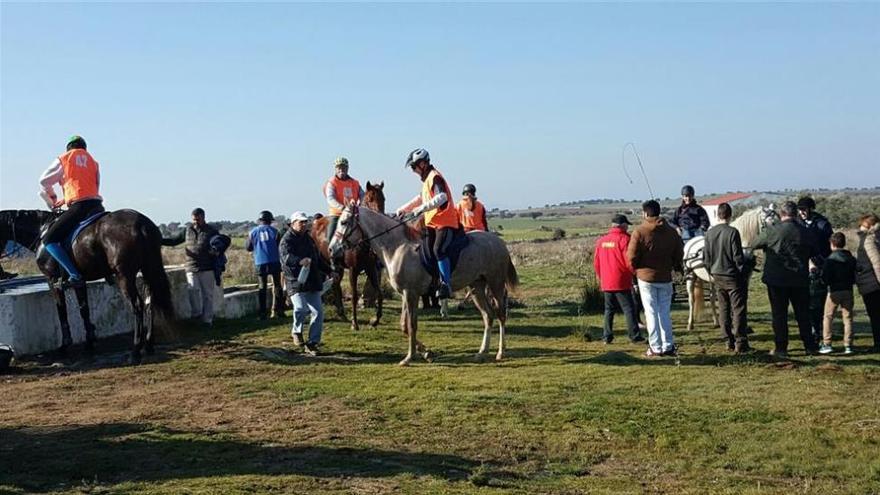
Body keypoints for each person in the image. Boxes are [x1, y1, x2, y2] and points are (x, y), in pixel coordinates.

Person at [752, 201, 819, 357]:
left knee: (779, 315)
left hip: (776, 280)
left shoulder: (772, 231)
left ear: (781, 214)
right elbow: (815, 251)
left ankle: (781, 348)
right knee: (803, 314)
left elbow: (754, 243)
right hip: (799, 279)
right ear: (795, 214)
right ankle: (809, 346)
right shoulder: (805, 232)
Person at [38, 135, 105, 287]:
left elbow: (43, 181)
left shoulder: (64, 158)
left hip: (79, 208)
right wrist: (66, 198)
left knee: (49, 240)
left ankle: (74, 275)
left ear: (69, 147)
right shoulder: (93, 162)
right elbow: (94, 186)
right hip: (97, 206)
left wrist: (54, 197)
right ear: (84, 148)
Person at [396, 148, 460, 299]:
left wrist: (421, 209)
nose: (413, 170)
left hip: (445, 221)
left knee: (438, 250)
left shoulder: (435, 177)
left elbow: (442, 197)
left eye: (414, 166)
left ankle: (446, 285)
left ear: (423, 164)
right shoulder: (426, 181)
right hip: (433, 223)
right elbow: (420, 198)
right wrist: (403, 209)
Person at [627, 200, 683, 357]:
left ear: (645, 213)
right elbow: (679, 254)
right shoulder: (672, 232)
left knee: (650, 312)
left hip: (645, 278)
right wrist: (672, 265)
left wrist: (637, 268)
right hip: (665, 277)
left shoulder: (639, 231)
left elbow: (630, 257)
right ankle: (668, 345)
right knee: (664, 312)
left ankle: (655, 347)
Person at [280, 211, 332, 356]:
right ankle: (296, 331)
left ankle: (313, 343)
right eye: (300, 222)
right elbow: (286, 258)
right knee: (301, 308)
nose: (304, 225)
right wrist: (299, 261)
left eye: (305, 222)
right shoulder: (287, 240)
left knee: (318, 312)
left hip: (312, 281)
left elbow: (317, 259)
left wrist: (329, 270)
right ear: (292, 223)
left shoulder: (308, 239)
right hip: (295, 281)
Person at [703, 203, 751, 353]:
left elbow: (706, 258)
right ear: (730, 215)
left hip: (717, 275)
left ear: (718, 215)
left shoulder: (709, 233)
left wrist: (711, 271)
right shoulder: (732, 232)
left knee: (723, 308)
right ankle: (741, 341)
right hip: (732, 275)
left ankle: (727, 339)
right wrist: (743, 272)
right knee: (738, 309)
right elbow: (738, 257)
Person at [164, 208, 220, 326]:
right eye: (194, 220)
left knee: (207, 295)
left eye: (198, 219)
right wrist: (158, 240)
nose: (196, 222)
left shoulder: (212, 231)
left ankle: (207, 320)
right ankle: (197, 314)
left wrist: (215, 252)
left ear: (203, 218)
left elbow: (221, 244)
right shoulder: (187, 231)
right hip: (191, 266)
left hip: (207, 267)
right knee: (192, 290)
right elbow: (174, 241)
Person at [594, 214, 643, 344]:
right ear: (622, 225)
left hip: (607, 281)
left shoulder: (601, 241)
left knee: (609, 309)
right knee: (629, 308)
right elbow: (629, 261)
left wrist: (601, 277)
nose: (628, 227)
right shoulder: (625, 240)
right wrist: (636, 275)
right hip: (621, 280)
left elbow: (597, 263)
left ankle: (607, 336)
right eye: (626, 224)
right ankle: (634, 335)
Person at [795, 196, 834, 342]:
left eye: (804, 209)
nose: (802, 212)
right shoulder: (797, 223)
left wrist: (821, 263)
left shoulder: (823, 224)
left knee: (817, 302)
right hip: (801, 267)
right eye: (800, 210)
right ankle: (807, 329)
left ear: (811, 209)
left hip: (819, 266)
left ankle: (817, 329)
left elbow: (829, 247)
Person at [819, 232, 856, 355]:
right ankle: (848, 345)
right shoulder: (850, 258)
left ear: (832, 244)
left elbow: (825, 277)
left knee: (828, 317)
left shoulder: (830, 260)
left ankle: (827, 343)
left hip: (834, 291)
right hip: (848, 289)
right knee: (848, 318)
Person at [246, 210, 285, 320]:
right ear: (270, 221)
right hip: (274, 261)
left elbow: (248, 247)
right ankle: (279, 310)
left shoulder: (253, 232)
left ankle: (263, 313)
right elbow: (280, 246)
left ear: (260, 221)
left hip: (260, 261)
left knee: (262, 287)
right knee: (277, 286)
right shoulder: (275, 231)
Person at [324, 157, 364, 246]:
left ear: (347, 168)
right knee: (330, 237)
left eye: (344, 167)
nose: (341, 169)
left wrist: (360, 203)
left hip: (354, 213)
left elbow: (362, 195)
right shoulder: (331, 183)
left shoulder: (355, 182)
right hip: (337, 214)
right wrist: (343, 208)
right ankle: (330, 255)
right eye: (339, 167)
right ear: (335, 169)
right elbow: (330, 199)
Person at [855, 214, 880, 352]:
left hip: (872, 283)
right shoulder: (875, 238)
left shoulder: (869, 240)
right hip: (872, 282)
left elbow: (877, 263)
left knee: (875, 315)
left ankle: (878, 344)